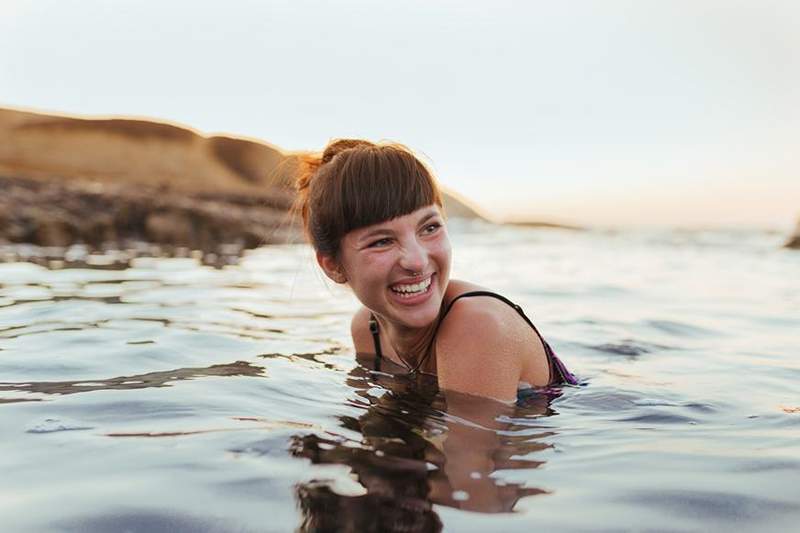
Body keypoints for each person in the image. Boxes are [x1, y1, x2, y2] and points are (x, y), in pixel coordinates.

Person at [295, 139, 577, 404]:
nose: (417, 261)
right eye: (381, 241)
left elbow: (470, 457)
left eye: (429, 228)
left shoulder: (478, 326)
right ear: (333, 266)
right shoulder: (368, 330)